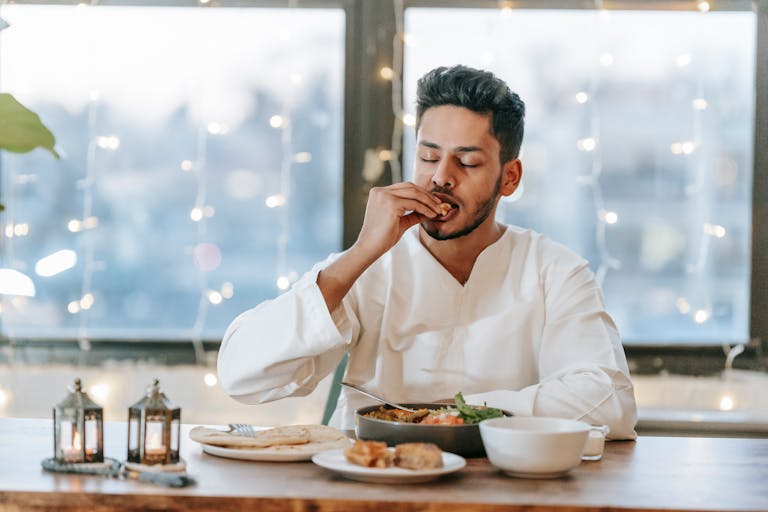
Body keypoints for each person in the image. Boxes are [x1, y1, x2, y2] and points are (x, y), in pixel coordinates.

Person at [218, 64, 637, 439]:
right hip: (371, 482)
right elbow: (242, 377)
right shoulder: (370, 264)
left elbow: (610, 403)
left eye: (467, 163)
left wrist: (461, 416)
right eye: (428, 156)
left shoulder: (555, 270)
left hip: (502, 489)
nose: (440, 177)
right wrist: (361, 252)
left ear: (509, 178)